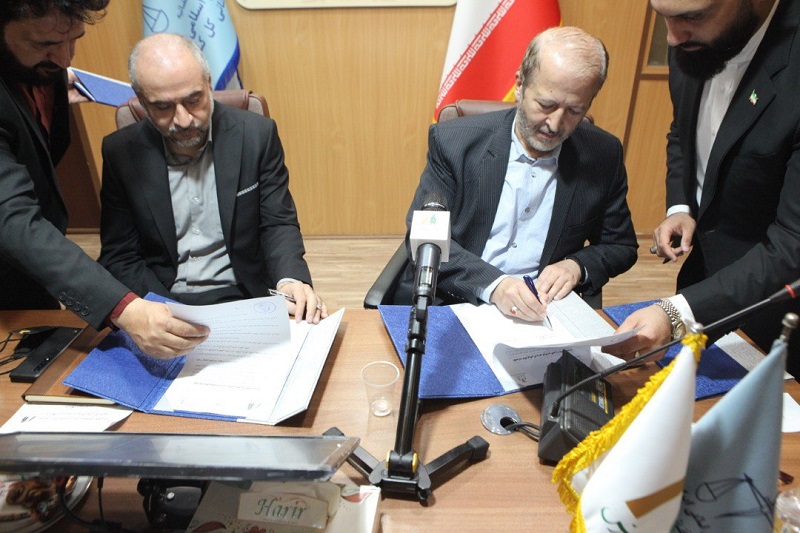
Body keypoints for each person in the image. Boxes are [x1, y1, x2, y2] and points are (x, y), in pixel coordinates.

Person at [0, 0, 209, 358]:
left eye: (73, 39)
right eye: (45, 45)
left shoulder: (46, 68)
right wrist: (123, 307)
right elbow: (12, 217)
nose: (64, 58)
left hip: (35, 275)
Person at [605, 0, 800, 375]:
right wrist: (680, 206)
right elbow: (683, 131)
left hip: (776, 316)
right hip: (702, 284)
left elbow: (793, 242)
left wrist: (678, 312)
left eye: (692, 16)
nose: (672, 38)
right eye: (662, 17)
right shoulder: (692, 39)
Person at [392, 26, 638, 320]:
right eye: (546, 105)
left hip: (545, 312)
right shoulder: (454, 143)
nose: (555, 124)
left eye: (574, 111)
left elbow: (620, 245)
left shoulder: (603, 154)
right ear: (520, 85)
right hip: (457, 301)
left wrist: (576, 266)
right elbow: (423, 238)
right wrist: (495, 285)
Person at [98, 33, 327, 323]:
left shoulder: (256, 135)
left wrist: (290, 280)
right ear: (141, 99)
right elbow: (120, 254)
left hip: (244, 295)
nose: (183, 120)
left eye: (194, 100)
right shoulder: (120, 152)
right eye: (163, 107)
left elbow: (277, 223)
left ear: (208, 84)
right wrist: (161, 310)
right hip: (162, 300)